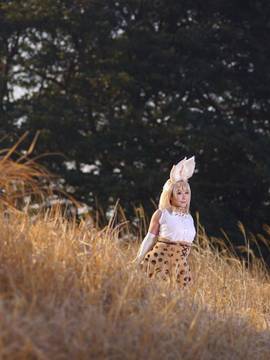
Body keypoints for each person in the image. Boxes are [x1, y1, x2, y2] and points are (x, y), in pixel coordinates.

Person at [131, 156, 196, 288]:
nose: (184, 196)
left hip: (180, 267)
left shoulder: (189, 218)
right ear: (170, 196)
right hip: (158, 261)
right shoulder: (163, 214)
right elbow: (149, 238)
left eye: (186, 192)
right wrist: (138, 260)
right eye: (179, 192)